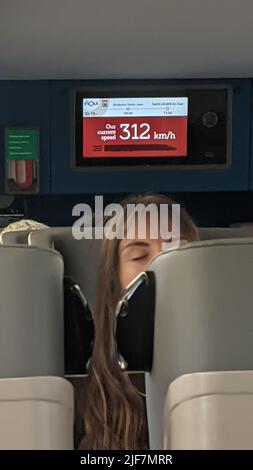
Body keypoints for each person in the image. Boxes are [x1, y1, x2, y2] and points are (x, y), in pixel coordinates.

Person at [78, 193, 199, 450]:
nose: (159, 265)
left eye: (176, 250)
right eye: (139, 256)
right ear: (114, 279)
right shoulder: (82, 385)